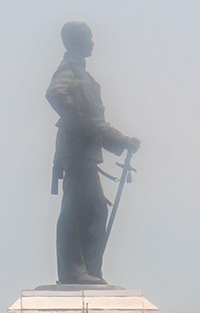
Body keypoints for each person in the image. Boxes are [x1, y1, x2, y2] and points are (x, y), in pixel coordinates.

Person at [47, 22, 140, 285]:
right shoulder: (69, 70)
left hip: (86, 152)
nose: (92, 42)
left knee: (95, 209)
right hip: (76, 152)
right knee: (77, 209)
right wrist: (81, 120)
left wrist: (118, 140)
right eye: (88, 38)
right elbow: (56, 95)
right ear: (75, 41)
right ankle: (74, 272)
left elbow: (94, 121)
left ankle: (89, 270)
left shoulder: (83, 74)